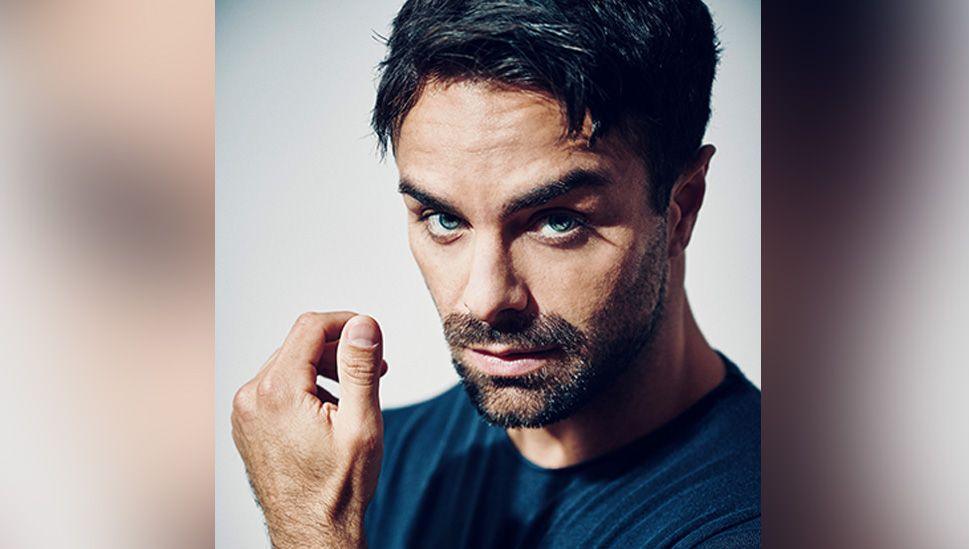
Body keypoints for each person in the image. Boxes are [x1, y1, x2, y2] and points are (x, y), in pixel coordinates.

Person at [230, 0, 760, 547]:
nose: (484, 298)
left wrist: (312, 529)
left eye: (556, 222)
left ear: (683, 206)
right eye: (444, 219)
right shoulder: (367, 469)